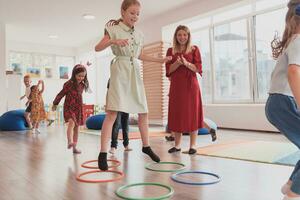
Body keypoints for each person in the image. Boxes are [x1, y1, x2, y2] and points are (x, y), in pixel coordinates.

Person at [95, 0, 171, 170]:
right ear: (123, 12)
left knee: (143, 110)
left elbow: (140, 55)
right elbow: (97, 47)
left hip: (134, 71)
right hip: (119, 70)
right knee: (112, 113)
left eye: (137, 14)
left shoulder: (139, 34)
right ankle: (103, 153)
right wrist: (113, 42)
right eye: (132, 13)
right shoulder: (113, 29)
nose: (135, 16)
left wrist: (160, 60)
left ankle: (146, 146)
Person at [265, 1, 300, 199]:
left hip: (279, 103)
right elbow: (293, 72)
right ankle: (294, 194)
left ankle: (290, 186)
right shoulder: (299, 40)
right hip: (284, 102)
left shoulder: (293, 41)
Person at [165, 25, 208, 155]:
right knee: (177, 114)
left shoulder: (194, 49)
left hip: (191, 86)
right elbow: (168, 71)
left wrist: (186, 63)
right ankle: (177, 145)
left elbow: (198, 68)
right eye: (179, 35)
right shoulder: (170, 51)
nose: (182, 37)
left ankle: (192, 145)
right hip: (177, 87)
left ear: (188, 36)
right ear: (175, 36)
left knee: (192, 114)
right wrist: (177, 63)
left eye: (185, 35)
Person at [52, 64, 89, 154]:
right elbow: (61, 94)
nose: (81, 78)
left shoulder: (82, 85)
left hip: (78, 108)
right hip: (69, 107)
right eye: (79, 76)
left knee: (76, 128)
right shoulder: (68, 84)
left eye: (83, 76)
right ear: (74, 74)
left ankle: (74, 147)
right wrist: (55, 103)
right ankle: (69, 142)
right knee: (71, 123)